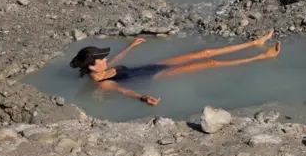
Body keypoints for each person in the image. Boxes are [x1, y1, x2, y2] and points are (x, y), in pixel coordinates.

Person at [69, 30, 281, 106]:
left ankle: (255, 43)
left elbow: (117, 58)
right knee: (210, 63)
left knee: (205, 52)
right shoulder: (103, 84)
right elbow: (124, 91)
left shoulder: (102, 69)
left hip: (150, 66)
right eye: (101, 59)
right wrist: (143, 98)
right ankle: (263, 56)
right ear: (92, 66)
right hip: (156, 76)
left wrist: (131, 46)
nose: (105, 59)